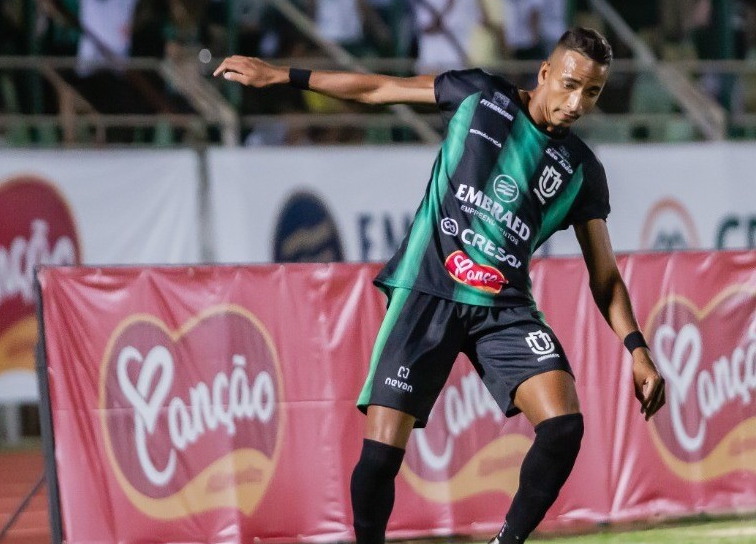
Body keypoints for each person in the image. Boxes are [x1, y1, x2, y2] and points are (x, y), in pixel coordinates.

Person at [214, 27, 667, 544]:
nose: (577, 102)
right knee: (381, 457)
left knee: (564, 426)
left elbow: (604, 275)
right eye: (569, 85)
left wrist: (637, 348)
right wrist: (281, 76)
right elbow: (379, 89)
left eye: (592, 93)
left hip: (503, 306)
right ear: (545, 73)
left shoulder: (582, 170)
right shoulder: (481, 95)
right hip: (429, 288)